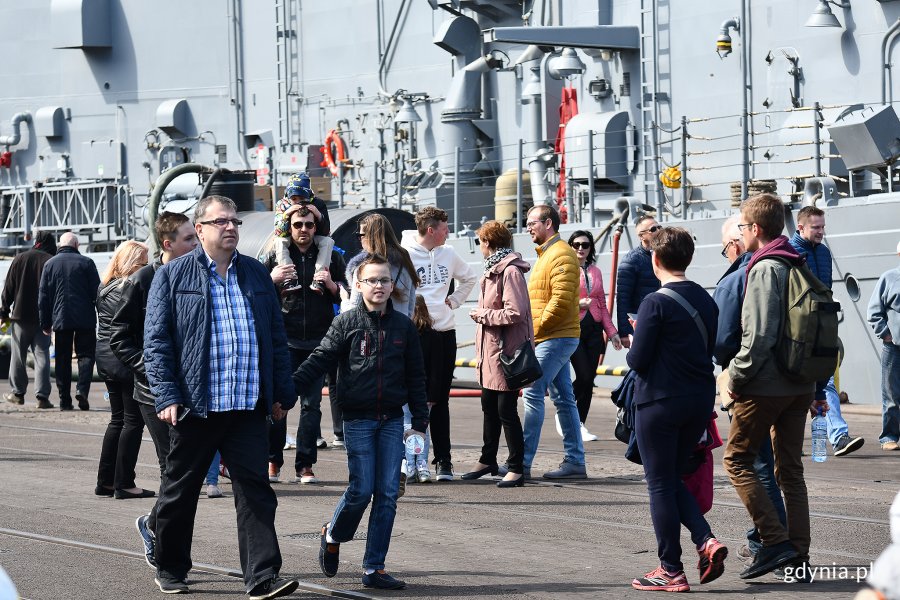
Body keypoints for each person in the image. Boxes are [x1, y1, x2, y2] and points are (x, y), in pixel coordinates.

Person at [142, 196, 298, 599]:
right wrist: (167, 395)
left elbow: (276, 339)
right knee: (180, 491)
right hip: (196, 406)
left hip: (246, 405)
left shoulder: (257, 276)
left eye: (235, 221)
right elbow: (156, 343)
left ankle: (262, 577)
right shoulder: (173, 276)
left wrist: (282, 391)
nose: (230, 227)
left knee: (256, 492)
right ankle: (171, 566)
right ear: (200, 229)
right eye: (221, 221)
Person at [293, 253, 428, 590]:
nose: (379, 285)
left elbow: (416, 376)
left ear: (392, 285)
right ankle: (333, 533)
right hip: (358, 420)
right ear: (358, 284)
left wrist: (421, 424)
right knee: (361, 490)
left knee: (386, 494)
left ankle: (374, 568)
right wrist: (287, 390)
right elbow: (319, 358)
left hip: (392, 421)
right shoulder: (346, 323)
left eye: (384, 280)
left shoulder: (404, 327)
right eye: (372, 280)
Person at [723, 193, 826, 580]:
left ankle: (774, 541)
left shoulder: (766, 267)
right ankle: (798, 554)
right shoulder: (797, 260)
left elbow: (759, 336)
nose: (741, 232)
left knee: (736, 460)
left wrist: (735, 376)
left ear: (755, 229)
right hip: (800, 383)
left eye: (743, 226)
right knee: (791, 471)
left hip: (766, 386)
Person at [626, 226, 726, 592]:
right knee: (670, 479)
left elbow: (638, 359)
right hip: (698, 400)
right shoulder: (705, 299)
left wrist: (638, 332)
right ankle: (706, 540)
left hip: (660, 401)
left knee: (659, 484)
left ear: (654, 259)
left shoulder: (654, 302)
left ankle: (670, 569)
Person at [110, 212, 199, 566]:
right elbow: (118, 334)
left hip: (190, 390)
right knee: (172, 469)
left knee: (184, 470)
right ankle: (162, 544)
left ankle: (153, 524)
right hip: (153, 393)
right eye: (189, 239)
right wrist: (149, 367)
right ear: (169, 244)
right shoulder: (143, 279)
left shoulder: (197, 273)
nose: (195, 244)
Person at [712, 216, 786, 562]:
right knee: (780, 469)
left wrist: (734, 377)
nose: (726, 252)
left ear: (737, 242)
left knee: (746, 463)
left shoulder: (737, 278)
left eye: (727, 246)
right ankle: (786, 545)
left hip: (751, 382)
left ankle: (770, 543)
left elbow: (724, 340)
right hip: (790, 381)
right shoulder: (788, 264)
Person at [264, 204, 347, 484]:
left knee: (312, 406)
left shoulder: (331, 258)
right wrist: (271, 279)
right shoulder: (274, 256)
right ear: (290, 226)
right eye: (298, 224)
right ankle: (273, 461)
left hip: (317, 342)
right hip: (284, 342)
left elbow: (347, 298)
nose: (303, 230)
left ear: (316, 227)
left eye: (309, 225)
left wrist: (332, 285)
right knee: (279, 405)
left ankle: (305, 465)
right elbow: (254, 292)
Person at [344, 213, 423, 483]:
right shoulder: (405, 263)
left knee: (372, 413)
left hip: (369, 346)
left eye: (361, 234)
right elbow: (411, 306)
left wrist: (342, 298)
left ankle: (381, 471)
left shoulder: (366, 269)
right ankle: (406, 465)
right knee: (403, 411)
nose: (359, 239)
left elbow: (354, 311)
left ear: (371, 236)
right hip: (399, 342)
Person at [401, 206, 477, 481]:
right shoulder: (404, 253)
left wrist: (454, 301)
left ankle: (443, 461)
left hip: (444, 332)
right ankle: (413, 460)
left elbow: (469, 277)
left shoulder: (448, 253)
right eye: (445, 228)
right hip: (416, 332)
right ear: (431, 230)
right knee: (415, 402)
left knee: (441, 400)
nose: (449, 232)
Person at [789, 205, 865, 457]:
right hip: (798, 331)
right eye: (816, 227)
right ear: (800, 227)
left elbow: (826, 290)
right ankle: (789, 441)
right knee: (796, 387)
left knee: (826, 381)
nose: (821, 232)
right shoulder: (789, 253)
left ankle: (837, 437)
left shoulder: (823, 253)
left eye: (823, 227)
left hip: (822, 326)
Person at [462, 220, 531, 487]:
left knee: (506, 410)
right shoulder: (493, 268)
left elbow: (516, 312)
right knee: (489, 406)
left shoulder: (510, 271)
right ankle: (487, 459)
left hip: (506, 353)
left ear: (487, 243)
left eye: (480, 242)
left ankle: (516, 467)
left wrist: (482, 314)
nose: (479, 247)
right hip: (491, 352)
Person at [520, 204, 585, 480]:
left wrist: (533, 330)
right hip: (554, 336)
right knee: (564, 399)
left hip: (555, 336)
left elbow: (558, 301)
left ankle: (520, 463)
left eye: (532, 222)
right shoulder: (547, 254)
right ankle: (575, 461)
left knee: (533, 393)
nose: (528, 227)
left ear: (548, 223)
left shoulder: (561, 254)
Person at [94, 240, 156, 500]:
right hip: (125, 359)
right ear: (133, 264)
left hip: (105, 357)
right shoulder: (129, 287)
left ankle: (106, 481)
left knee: (117, 420)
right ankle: (124, 483)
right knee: (133, 421)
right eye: (143, 263)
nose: (147, 268)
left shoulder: (105, 285)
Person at [567, 230, 621, 442]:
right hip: (574, 328)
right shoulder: (565, 269)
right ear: (570, 246)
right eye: (577, 244)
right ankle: (566, 410)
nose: (581, 248)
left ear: (590, 248)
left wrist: (612, 332)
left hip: (594, 330)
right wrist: (577, 304)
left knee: (589, 380)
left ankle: (579, 424)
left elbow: (601, 305)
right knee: (584, 376)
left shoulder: (596, 272)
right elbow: (556, 300)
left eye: (585, 245)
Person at [38, 232, 101, 411]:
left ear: (60, 245)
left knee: (63, 359)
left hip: (61, 318)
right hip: (85, 319)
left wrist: (45, 323)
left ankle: (64, 400)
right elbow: (97, 294)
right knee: (86, 356)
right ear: (77, 245)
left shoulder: (49, 265)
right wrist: (102, 317)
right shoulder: (87, 263)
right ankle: (82, 390)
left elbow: (43, 297)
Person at [1, 231, 56, 409]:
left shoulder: (20, 258)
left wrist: (3, 313)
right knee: (42, 357)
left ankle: (17, 394)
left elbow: (8, 287)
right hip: (43, 318)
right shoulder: (50, 260)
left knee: (18, 357)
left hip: (20, 317)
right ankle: (42, 397)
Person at [273, 173, 334, 293]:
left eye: (301, 199)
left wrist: (318, 215)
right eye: (294, 199)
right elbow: (279, 232)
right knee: (279, 242)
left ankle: (319, 279)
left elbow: (326, 232)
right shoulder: (282, 204)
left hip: (313, 238)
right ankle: (289, 279)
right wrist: (286, 215)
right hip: (288, 236)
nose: (298, 203)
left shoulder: (318, 203)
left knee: (328, 241)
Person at [867, 239, 900, 452]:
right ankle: (888, 436)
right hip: (894, 346)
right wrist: (886, 335)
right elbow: (874, 311)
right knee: (891, 395)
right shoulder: (889, 278)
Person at [615, 215, 661, 348]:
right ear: (642, 236)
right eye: (653, 229)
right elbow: (623, 299)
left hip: (663, 321)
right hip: (641, 324)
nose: (658, 231)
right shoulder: (631, 261)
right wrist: (624, 333)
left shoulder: (666, 255)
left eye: (659, 227)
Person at [408, 295, 436, 484]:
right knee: (422, 430)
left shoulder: (404, 334)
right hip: (424, 391)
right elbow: (436, 368)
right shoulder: (433, 335)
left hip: (406, 390)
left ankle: (410, 464)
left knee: (406, 428)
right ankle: (422, 465)